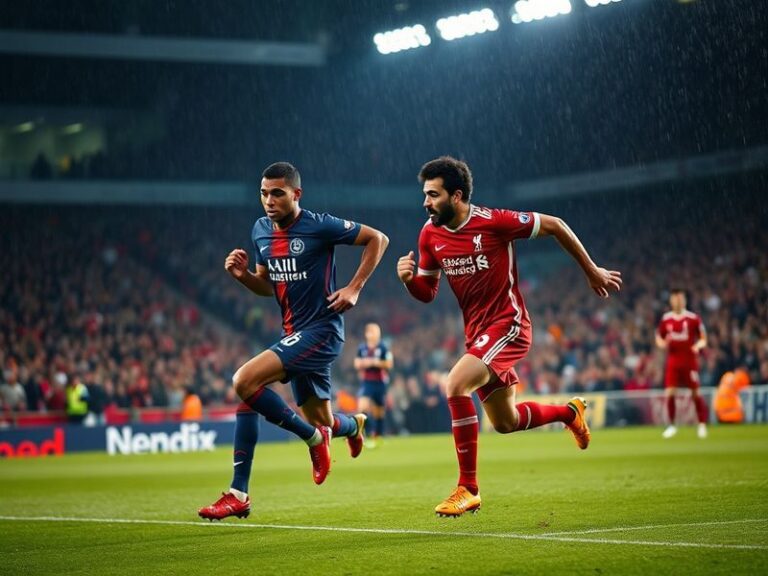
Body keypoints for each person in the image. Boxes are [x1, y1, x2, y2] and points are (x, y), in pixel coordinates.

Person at [396, 156, 621, 517]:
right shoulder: (429, 234)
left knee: (454, 383)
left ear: (456, 196)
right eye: (424, 194)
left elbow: (556, 225)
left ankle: (468, 488)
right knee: (505, 422)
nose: (425, 202)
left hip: (509, 325)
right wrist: (410, 281)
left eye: (433, 195)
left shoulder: (494, 221)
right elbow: (427, 293)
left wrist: (591, 270)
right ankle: (569, 413)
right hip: (477, 334)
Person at [199, 162, 389, 521]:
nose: (268, 201)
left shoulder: (318, 225)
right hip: (294, 333)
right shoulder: (260, 230)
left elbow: (378, 239)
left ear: (296, 194)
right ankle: (353, 425)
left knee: (244, 382)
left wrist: (354, 287)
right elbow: (265, 283)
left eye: (277, 193)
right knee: (323, 417)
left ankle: (248, 486)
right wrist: (242, 277)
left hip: (323, 331)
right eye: (263, 193)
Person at [655, 289, 709, 439]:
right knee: (670, 393)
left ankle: (702, 425)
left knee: (695, 393)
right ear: (671, 301)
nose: (677, 301)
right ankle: (672, 426)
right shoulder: (666, 319)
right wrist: (661, 344)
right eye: (675, 298)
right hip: (673, 361)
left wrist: (698, 346)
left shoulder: (693, 318)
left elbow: (703, 338)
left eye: (680, 298)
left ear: (684, 300)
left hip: (689, 360)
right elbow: (659, 337)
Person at [353, 322, 394, 446]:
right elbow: (356, 364)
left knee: (379, 411)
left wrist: (373, 362)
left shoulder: (383, 347)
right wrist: (364, 363)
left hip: (380, 383)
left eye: (377, 331)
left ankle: (378, 435)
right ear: (367, 334)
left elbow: (389, 364)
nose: (375, 334)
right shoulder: (362, 348)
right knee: (362, 407)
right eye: (372, 331)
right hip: (367, 382)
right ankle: (362, 433)